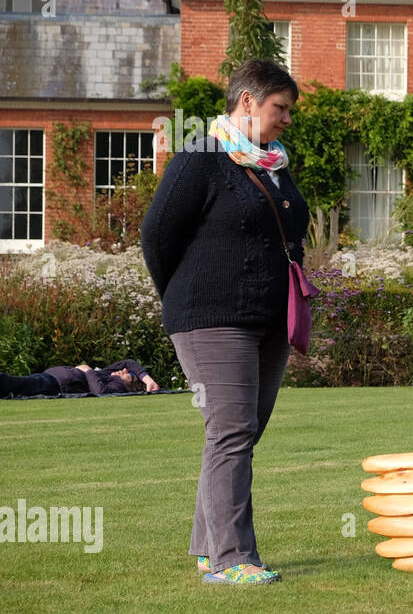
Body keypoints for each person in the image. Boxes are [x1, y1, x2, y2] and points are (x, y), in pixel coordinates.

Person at [141, 59, 309, 586]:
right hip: (211, 318)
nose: (286, 119)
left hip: (268, 319)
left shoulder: (273, 164)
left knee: (239, 433)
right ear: (247, 102)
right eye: (279, 108)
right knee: (232, 432)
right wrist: (185, 298)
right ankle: (232, 560)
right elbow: (157, 235)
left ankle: (206, 547)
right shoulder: (200, 158)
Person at [1, 359, 159, 398]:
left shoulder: (116, 387)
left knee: (12, 383)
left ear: (131, 385)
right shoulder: (107, 374)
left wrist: (87, 370)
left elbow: (100, 392)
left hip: (57, 383)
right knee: (15, 385)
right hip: (52, 376)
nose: (123, 370)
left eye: (129, 374)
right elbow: (129, 362)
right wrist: (148, 380)